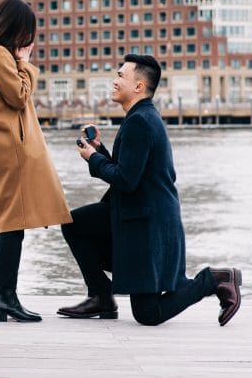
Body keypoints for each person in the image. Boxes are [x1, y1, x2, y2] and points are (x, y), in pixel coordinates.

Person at [58, 54, 242, 326]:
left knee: (148, 314)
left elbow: (126, 180)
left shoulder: (140, 121)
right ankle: (101, 296)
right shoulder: (141, 117)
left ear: (139, 87)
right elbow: (130, 172)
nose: (115, 80)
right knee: (75, 223)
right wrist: (99, 151)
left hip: (149, 228)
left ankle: (215, 279)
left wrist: (93, 160)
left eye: (121, 76)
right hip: (135, 217)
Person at [0, 0, 72, 323]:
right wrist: (25, 62)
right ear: (14, 28)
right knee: (14, 224)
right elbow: (19, 96)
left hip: (2, 148)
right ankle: (5, 296)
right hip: (13, 148)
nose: (28, 40)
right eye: (27, 32)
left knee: (7, 219)